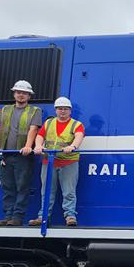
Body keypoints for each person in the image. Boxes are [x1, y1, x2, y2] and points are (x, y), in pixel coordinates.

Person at [0, 80, 42, 226]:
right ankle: (8, 216)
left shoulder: (35, 111)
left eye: (24, 93)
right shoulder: (5, 110)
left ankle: (17, 217)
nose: (21, 95)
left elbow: (33, 129)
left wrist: (27, 146)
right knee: (7, 187)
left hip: (23, 156)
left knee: (22, 187)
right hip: (6, 154)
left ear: (29, 96)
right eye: (18, 92)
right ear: (14, 94)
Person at [29, 97, 85, 227]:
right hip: (49, 162)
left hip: (68, 162)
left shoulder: (76, 124)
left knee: (69, 191)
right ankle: (43, 217)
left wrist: (73, 147)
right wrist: (38, 146)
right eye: (60, 109)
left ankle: (70, 216)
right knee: (47, 191)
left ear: (70, 110)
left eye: (65, 109)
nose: (62, 111)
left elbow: (79, 136)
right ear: (55, 110)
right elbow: (40, 136)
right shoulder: (48, 123)